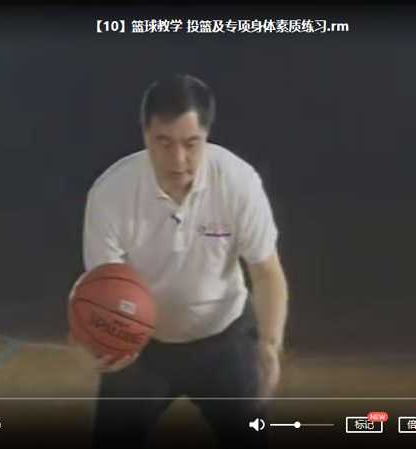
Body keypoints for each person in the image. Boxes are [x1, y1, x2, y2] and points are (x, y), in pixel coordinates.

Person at [76, 73, 289, 448]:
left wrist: (270, 344)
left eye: (191, 144)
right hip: (141, 346)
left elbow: (266, 272)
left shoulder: (238, 181)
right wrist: (104, 342)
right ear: (145, 134)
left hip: (225, 337)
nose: (178, 160)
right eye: (164, 142)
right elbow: (104, 288)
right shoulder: (110, 193)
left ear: (206, 135)